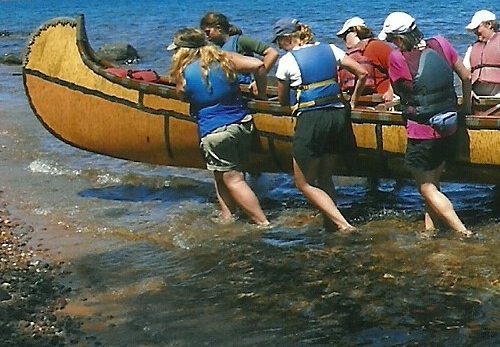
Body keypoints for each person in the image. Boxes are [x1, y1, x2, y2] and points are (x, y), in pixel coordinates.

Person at [379, 12, 473, 236]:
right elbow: (466, 76)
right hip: (449, 124)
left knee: (425, 186)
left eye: (392, 40)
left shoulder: (397, 58)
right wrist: (466, 107)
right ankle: (430, 230)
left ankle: (462, 231)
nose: (393, 45)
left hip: (421, 131)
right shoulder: (441, 43)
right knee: (434, 182)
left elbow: (402, 91)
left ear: (400, 39)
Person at [272, 18, 368, 232]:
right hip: (338, 116)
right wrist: (352, 102)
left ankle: (343, 225)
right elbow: (362, 73)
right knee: (325, 176)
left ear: (288, 38)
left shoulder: (287, 60)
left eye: (279, 41)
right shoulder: (331, 49)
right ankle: (330, 225)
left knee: (303, 183)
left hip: (312, 119)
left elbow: (282, 101)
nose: (278, 47)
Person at [167, 28, 270, 226]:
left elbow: (182, 95)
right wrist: (262, 93)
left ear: (183, 50)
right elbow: (258, 65)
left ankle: (263, 222)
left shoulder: (183, 72)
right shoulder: (225, 58)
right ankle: (227, 216)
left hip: (215, 132)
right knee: (220, 174)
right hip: (242, 124)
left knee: (234, 179)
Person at [199, 11, 278, 94]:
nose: (206, 36)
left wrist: (257, 81)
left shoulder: (240, 41)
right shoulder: (213, 48)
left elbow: (272, 53)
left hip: (244, 90)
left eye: (208, 32)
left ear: (219, 28)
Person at [462, 9, 500, 102]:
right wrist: (467, 91)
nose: (475, 32)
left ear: (489, 25)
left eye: (478, 28)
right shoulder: (472, 48)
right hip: (479, 99)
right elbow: (464, 73)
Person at [336, 17, 394, 104]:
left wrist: (391, 91)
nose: (344, 41)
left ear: (355, 32)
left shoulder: (376, 46)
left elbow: (397, 69)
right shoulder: (346, 57)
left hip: (381, 101)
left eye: (345, 36)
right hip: (360, 102)